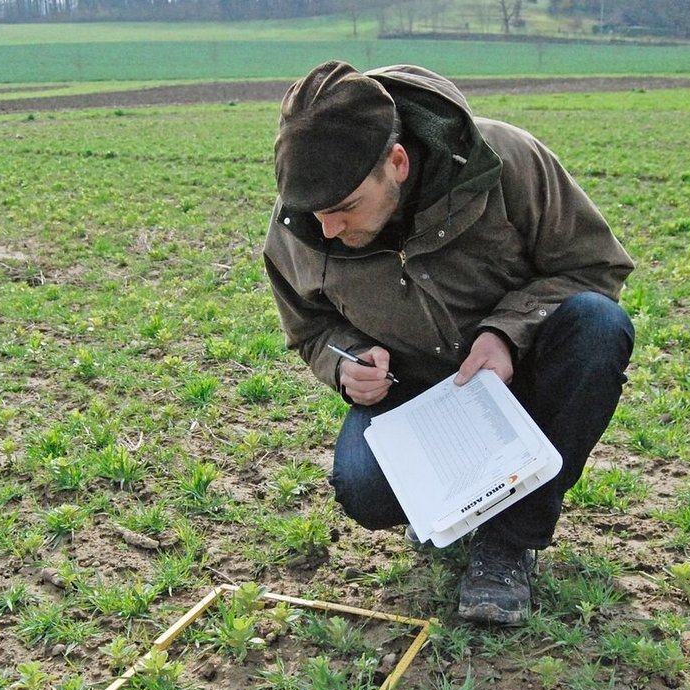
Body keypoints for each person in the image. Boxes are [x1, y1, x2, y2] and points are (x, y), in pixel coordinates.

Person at [263, 61, 635, 625]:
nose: (328, 230)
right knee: (364, 489)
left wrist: (506, 334)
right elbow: (311, 328)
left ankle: (509, 540)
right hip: (413, 395)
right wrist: (347, 364)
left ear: (398, 163)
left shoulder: (505, 162)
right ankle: (449, 502)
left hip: (520, 380)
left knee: (598, 325)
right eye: (316, 215)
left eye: (343, 210)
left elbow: (594, 267)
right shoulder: (300, 225)